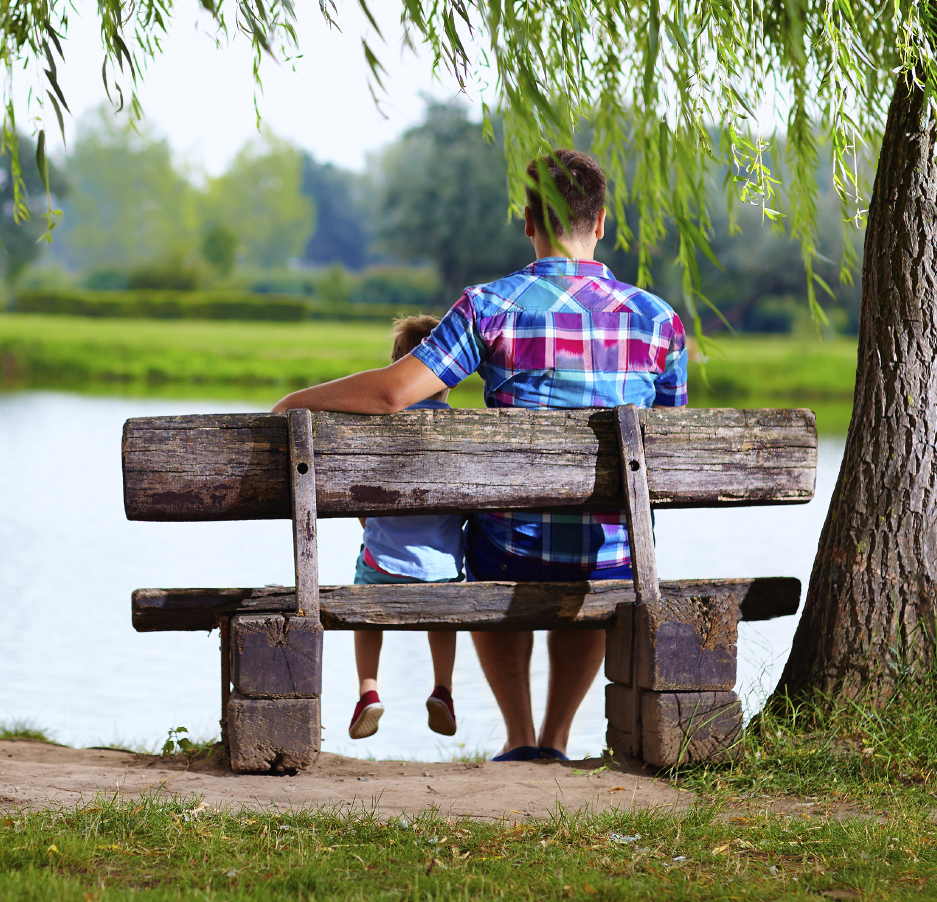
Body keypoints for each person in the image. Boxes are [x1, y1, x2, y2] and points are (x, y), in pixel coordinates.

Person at [271, 148, 687, 762]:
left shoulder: (491, 306)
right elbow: (670, 453)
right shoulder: (660, 322)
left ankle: (519, 739)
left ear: (528, 221)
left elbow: (394, 394)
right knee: (602, 546)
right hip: (614, 556)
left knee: (497, 538)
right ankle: (557, 739)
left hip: (511, 549)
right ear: (600, 223)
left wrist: (293, 402)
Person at [346, 314, 467, 742]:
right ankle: (443, 688)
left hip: (381, 565)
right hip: (441, 572)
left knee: (363, 599)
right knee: (446, 608)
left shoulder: (374, 427)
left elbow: (356, 501)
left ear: (398, 366)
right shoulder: (462, 432)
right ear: (448, 376)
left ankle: (369, 691)